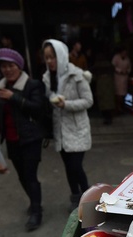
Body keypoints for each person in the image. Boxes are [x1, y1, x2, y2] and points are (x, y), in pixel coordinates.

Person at [0, 48, 47, 231]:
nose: (7, 69)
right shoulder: (0, 87)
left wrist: (14, 97)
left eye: (11, 65)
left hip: (30, 139)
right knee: (21, 176)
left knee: (30, 176)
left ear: (19, 66)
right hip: (12, 140)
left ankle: (36, 212)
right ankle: (33, 201)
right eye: (4, 66)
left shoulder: (32, 85)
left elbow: (37, 108)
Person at [42, 39, 94, 209]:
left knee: (76, 166)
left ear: (61, 56)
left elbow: (88, 101)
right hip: (60, 131)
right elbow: (49, 99)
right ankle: (75, 198)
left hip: (78, 130)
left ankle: (88, 199)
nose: (49, 61)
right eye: (46, 57)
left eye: (52, 57)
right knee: (68, 168)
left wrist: (67, 104)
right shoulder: (48, 78)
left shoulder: (77, 75)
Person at [91, 52, 116, 125]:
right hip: (109, 85)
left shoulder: (97, 66)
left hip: (101, 85)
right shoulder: (110, 65)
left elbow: (93, 76)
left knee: (102, 102)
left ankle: (106, 118)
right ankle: (110, 118)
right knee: (109, 102)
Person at [111, 46, 131, 113]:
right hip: (117, 77)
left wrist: (127, 71)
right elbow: (113, 66)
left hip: (125, 77)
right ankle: (117, 107)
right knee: (118, 93)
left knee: (124, 93)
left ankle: (122, 107)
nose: (124, 54)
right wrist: (120, 71)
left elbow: (129, 67)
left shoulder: (127, 59)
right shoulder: (116, 57)